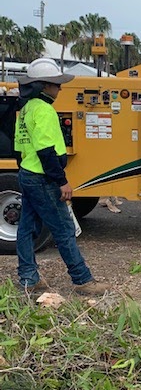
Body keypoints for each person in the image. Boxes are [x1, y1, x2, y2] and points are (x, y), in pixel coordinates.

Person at [14, 57, 109, 296]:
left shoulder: (25, 110)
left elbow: (20, 148)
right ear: (44, 85)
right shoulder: (45, 110)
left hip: (28, 174)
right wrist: (62, 181)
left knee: (26, 228)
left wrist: (26, 172)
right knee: (64, 229)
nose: (60, 88)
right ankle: (83, 281)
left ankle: (28, 278)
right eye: (57, 84)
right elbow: (46, 151)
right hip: (43, 178)